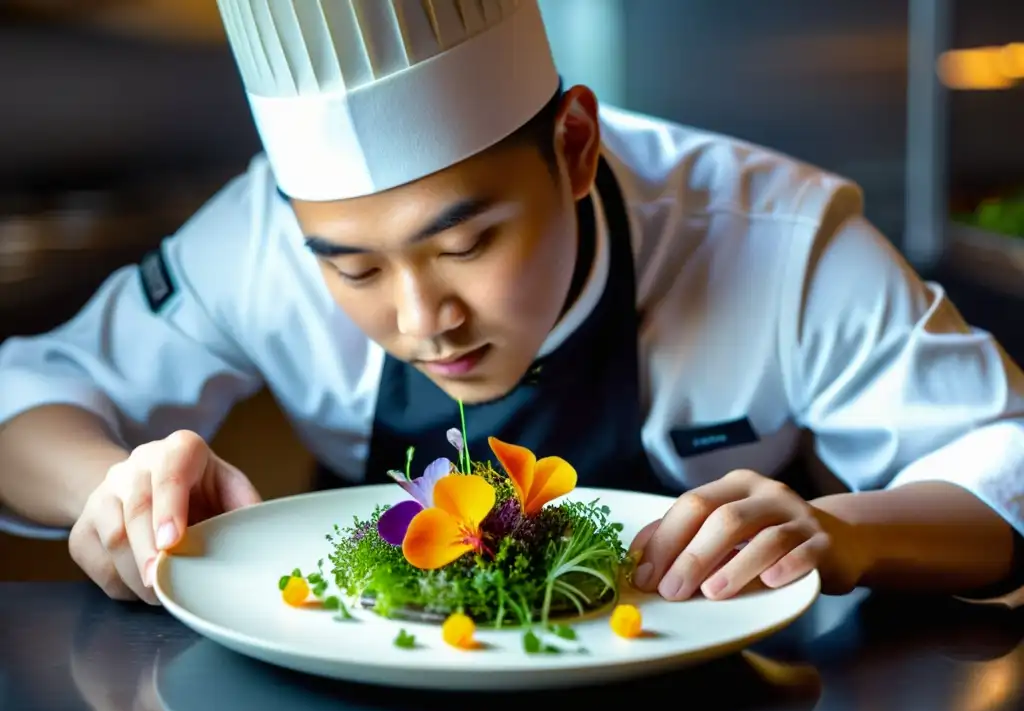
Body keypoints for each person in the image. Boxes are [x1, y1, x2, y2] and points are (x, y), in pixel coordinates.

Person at [1, 0, 1022, 609]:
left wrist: (848, 532)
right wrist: (116, 485)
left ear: (575, 147)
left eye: (467, 243)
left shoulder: (777, 239)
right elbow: (32, 393)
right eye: (354, 270)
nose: (421, 318)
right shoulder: (255, 242)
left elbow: (1001, 455)